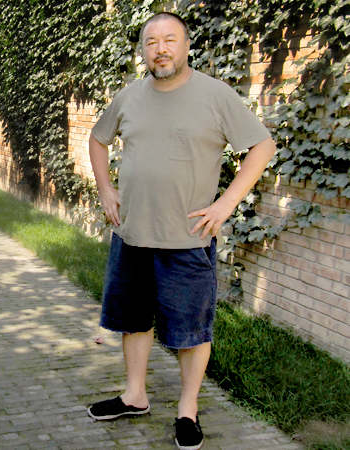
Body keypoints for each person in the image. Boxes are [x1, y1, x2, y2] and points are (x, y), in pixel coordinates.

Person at [86, 11, 276, 450]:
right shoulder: (129, 97)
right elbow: (97, 139)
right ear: (143, 51)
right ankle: (135, 396)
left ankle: (187, 410)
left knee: (192, 330)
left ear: (186, 46)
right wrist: (105, 188)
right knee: (133, 322)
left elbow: (262, 145)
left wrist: (227, 202)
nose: (161, 49)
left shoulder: (214, 95)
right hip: (132, 234)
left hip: (187, 239)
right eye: (151, 42)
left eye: (170, 40)